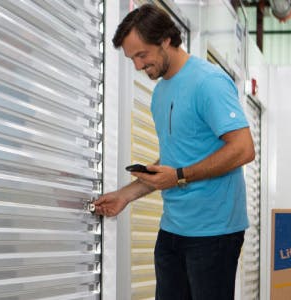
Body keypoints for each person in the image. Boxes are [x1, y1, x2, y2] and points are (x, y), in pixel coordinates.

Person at [93, 4, 255, 300]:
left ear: (166, 39)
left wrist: (180, 176)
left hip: (214, 232)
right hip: (173, 230)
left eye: (142, 55)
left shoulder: (209, 82)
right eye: (132, 59)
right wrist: (124, 195)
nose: (139, 67)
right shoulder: (161, 92)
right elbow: (172, 161)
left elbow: (243, 149)